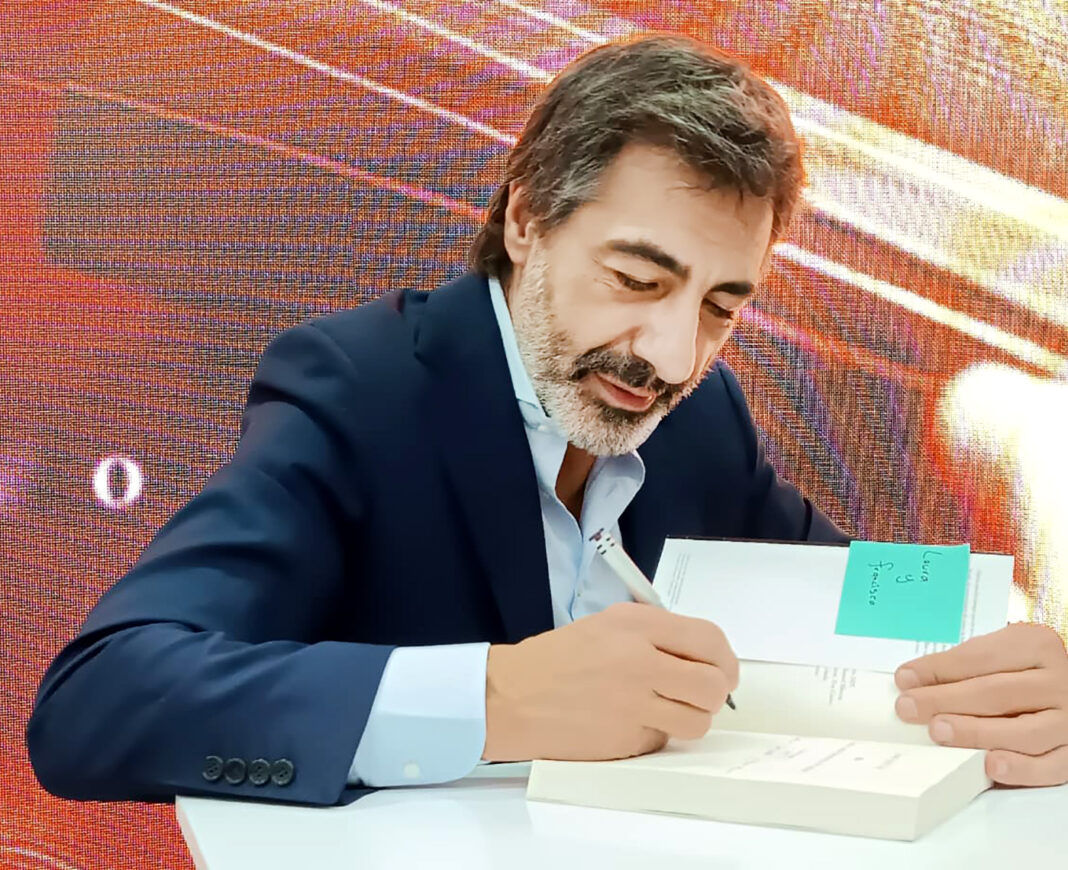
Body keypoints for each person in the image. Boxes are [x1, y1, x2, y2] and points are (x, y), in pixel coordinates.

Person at [27, 34, 1068, 808]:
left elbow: (846, 590)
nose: (672, 356)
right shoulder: (361, 387)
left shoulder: (703, 416)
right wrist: (496, 699)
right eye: (637, 279)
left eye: (720, 306)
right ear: (527, 218)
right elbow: (97, 701)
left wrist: (1005, 642)